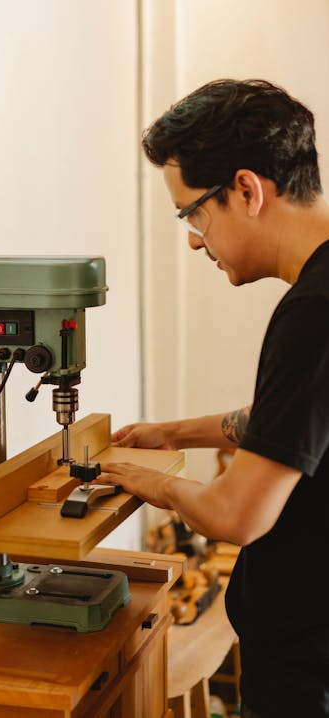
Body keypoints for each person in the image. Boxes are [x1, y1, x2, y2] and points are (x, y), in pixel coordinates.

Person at [99, 80, 329, 718]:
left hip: (308, 674)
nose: (195, 240)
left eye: (191, 213)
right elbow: (293, 423)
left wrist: (146, 482)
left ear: (247, 190)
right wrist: (174, 435)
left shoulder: (313, 312)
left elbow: (235, 517)